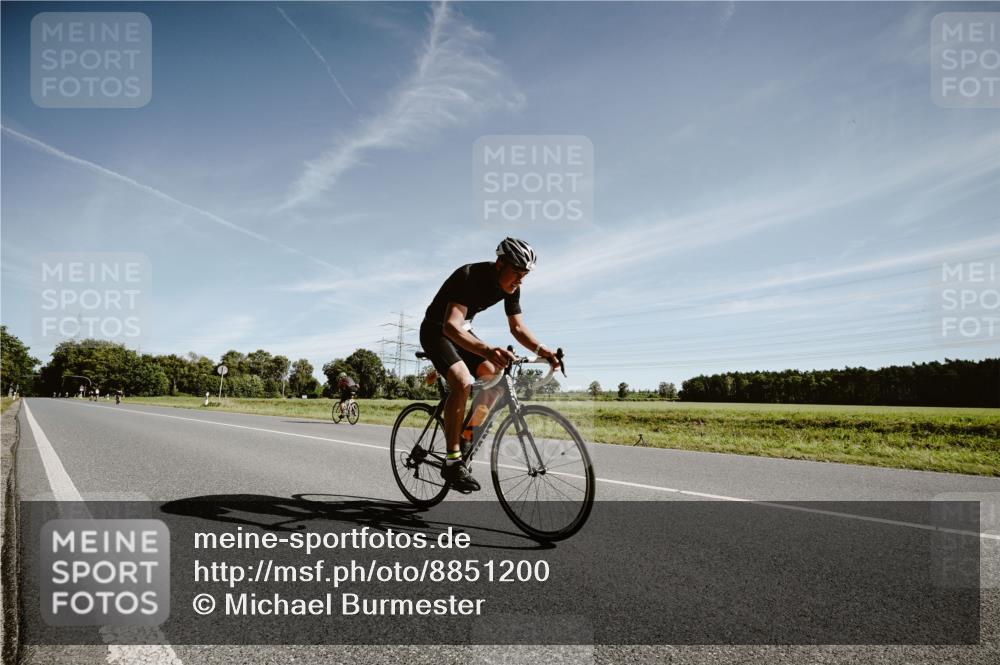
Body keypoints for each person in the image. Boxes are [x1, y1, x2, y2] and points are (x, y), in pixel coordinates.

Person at [419, 237, 560, 493]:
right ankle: (452, 461)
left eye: (524, 275)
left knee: (494, 379)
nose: (520, 280)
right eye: (516, 273)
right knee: (462, 381)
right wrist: (487, 349)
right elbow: (450, 326)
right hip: (436, 330)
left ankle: (465, 436)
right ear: (499, 264)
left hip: (463, 331)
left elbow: (517, 327)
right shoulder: (469, 276)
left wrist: (543, 350)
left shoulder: (512, 287)